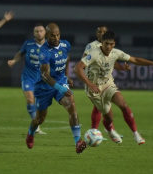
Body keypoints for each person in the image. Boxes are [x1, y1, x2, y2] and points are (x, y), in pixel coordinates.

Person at [74, 30, 153, 145]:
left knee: (123, 104)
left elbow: (135, 60)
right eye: (106, 43)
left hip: (108, 84)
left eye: (111, 44)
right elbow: (78, 68)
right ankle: (110, 130)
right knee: (109, 118)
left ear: (114, 44)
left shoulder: (116, 53)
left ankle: (136, 134)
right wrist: (90, 84)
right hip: (95, 90)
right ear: (101, 42)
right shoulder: (94, 54)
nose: (108, 46)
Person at [25, 23, 87, 154]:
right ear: (47, 36)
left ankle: (78, 142)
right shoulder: (43, 52)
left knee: (72, 106)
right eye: (53, 36)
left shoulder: (65, 45)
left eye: (58, 35)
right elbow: (45, 75)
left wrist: (66, 75)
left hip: (60, 81)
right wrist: (60, 88)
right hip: (43, 87)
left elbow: (67, 57)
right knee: (40, 119)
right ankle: (31, 133)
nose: (56, 38)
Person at [83, 26, 130, 132]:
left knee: (102, 107)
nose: (101, 33)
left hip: (106, 81)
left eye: (104, 31)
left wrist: (122, 68)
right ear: (96, 34)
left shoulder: (109, 47)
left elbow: (113, 62)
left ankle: (105, 130)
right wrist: (89, 80)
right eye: (99, 31)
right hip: (94, 82)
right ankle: (102, 130)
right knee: (99, 107)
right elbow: (84, 61)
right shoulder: (91, 46)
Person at [7, 24, 47, 134]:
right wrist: (14, 61)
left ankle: (37, 122)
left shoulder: (49, 46)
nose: (39, 33)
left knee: (40, 104)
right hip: (28, 77)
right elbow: (20, 53)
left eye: (41, 31)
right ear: (34, 33)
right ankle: (36, 126)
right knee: (30, 100)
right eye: (36, 31)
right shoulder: (28, 44)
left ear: (45, 33)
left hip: (42, 79)